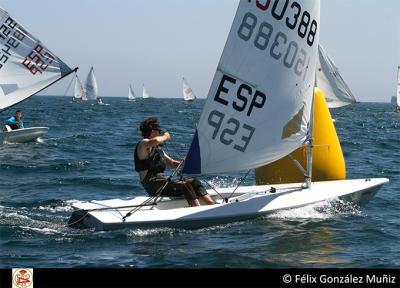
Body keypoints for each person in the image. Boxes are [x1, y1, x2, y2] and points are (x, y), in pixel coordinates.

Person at [134, 118, 215, 207]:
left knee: (194, 181)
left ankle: (210, 204)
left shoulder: (158, 149)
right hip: (153, 185)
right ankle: (196, 208)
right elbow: (156, 140)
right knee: (186, 185)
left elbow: (173, 163)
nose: (160, 133)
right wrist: (166, 136)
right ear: (153, 131)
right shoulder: (143, 144)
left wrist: (185, 161)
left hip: (163, 181)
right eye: (159, 131)